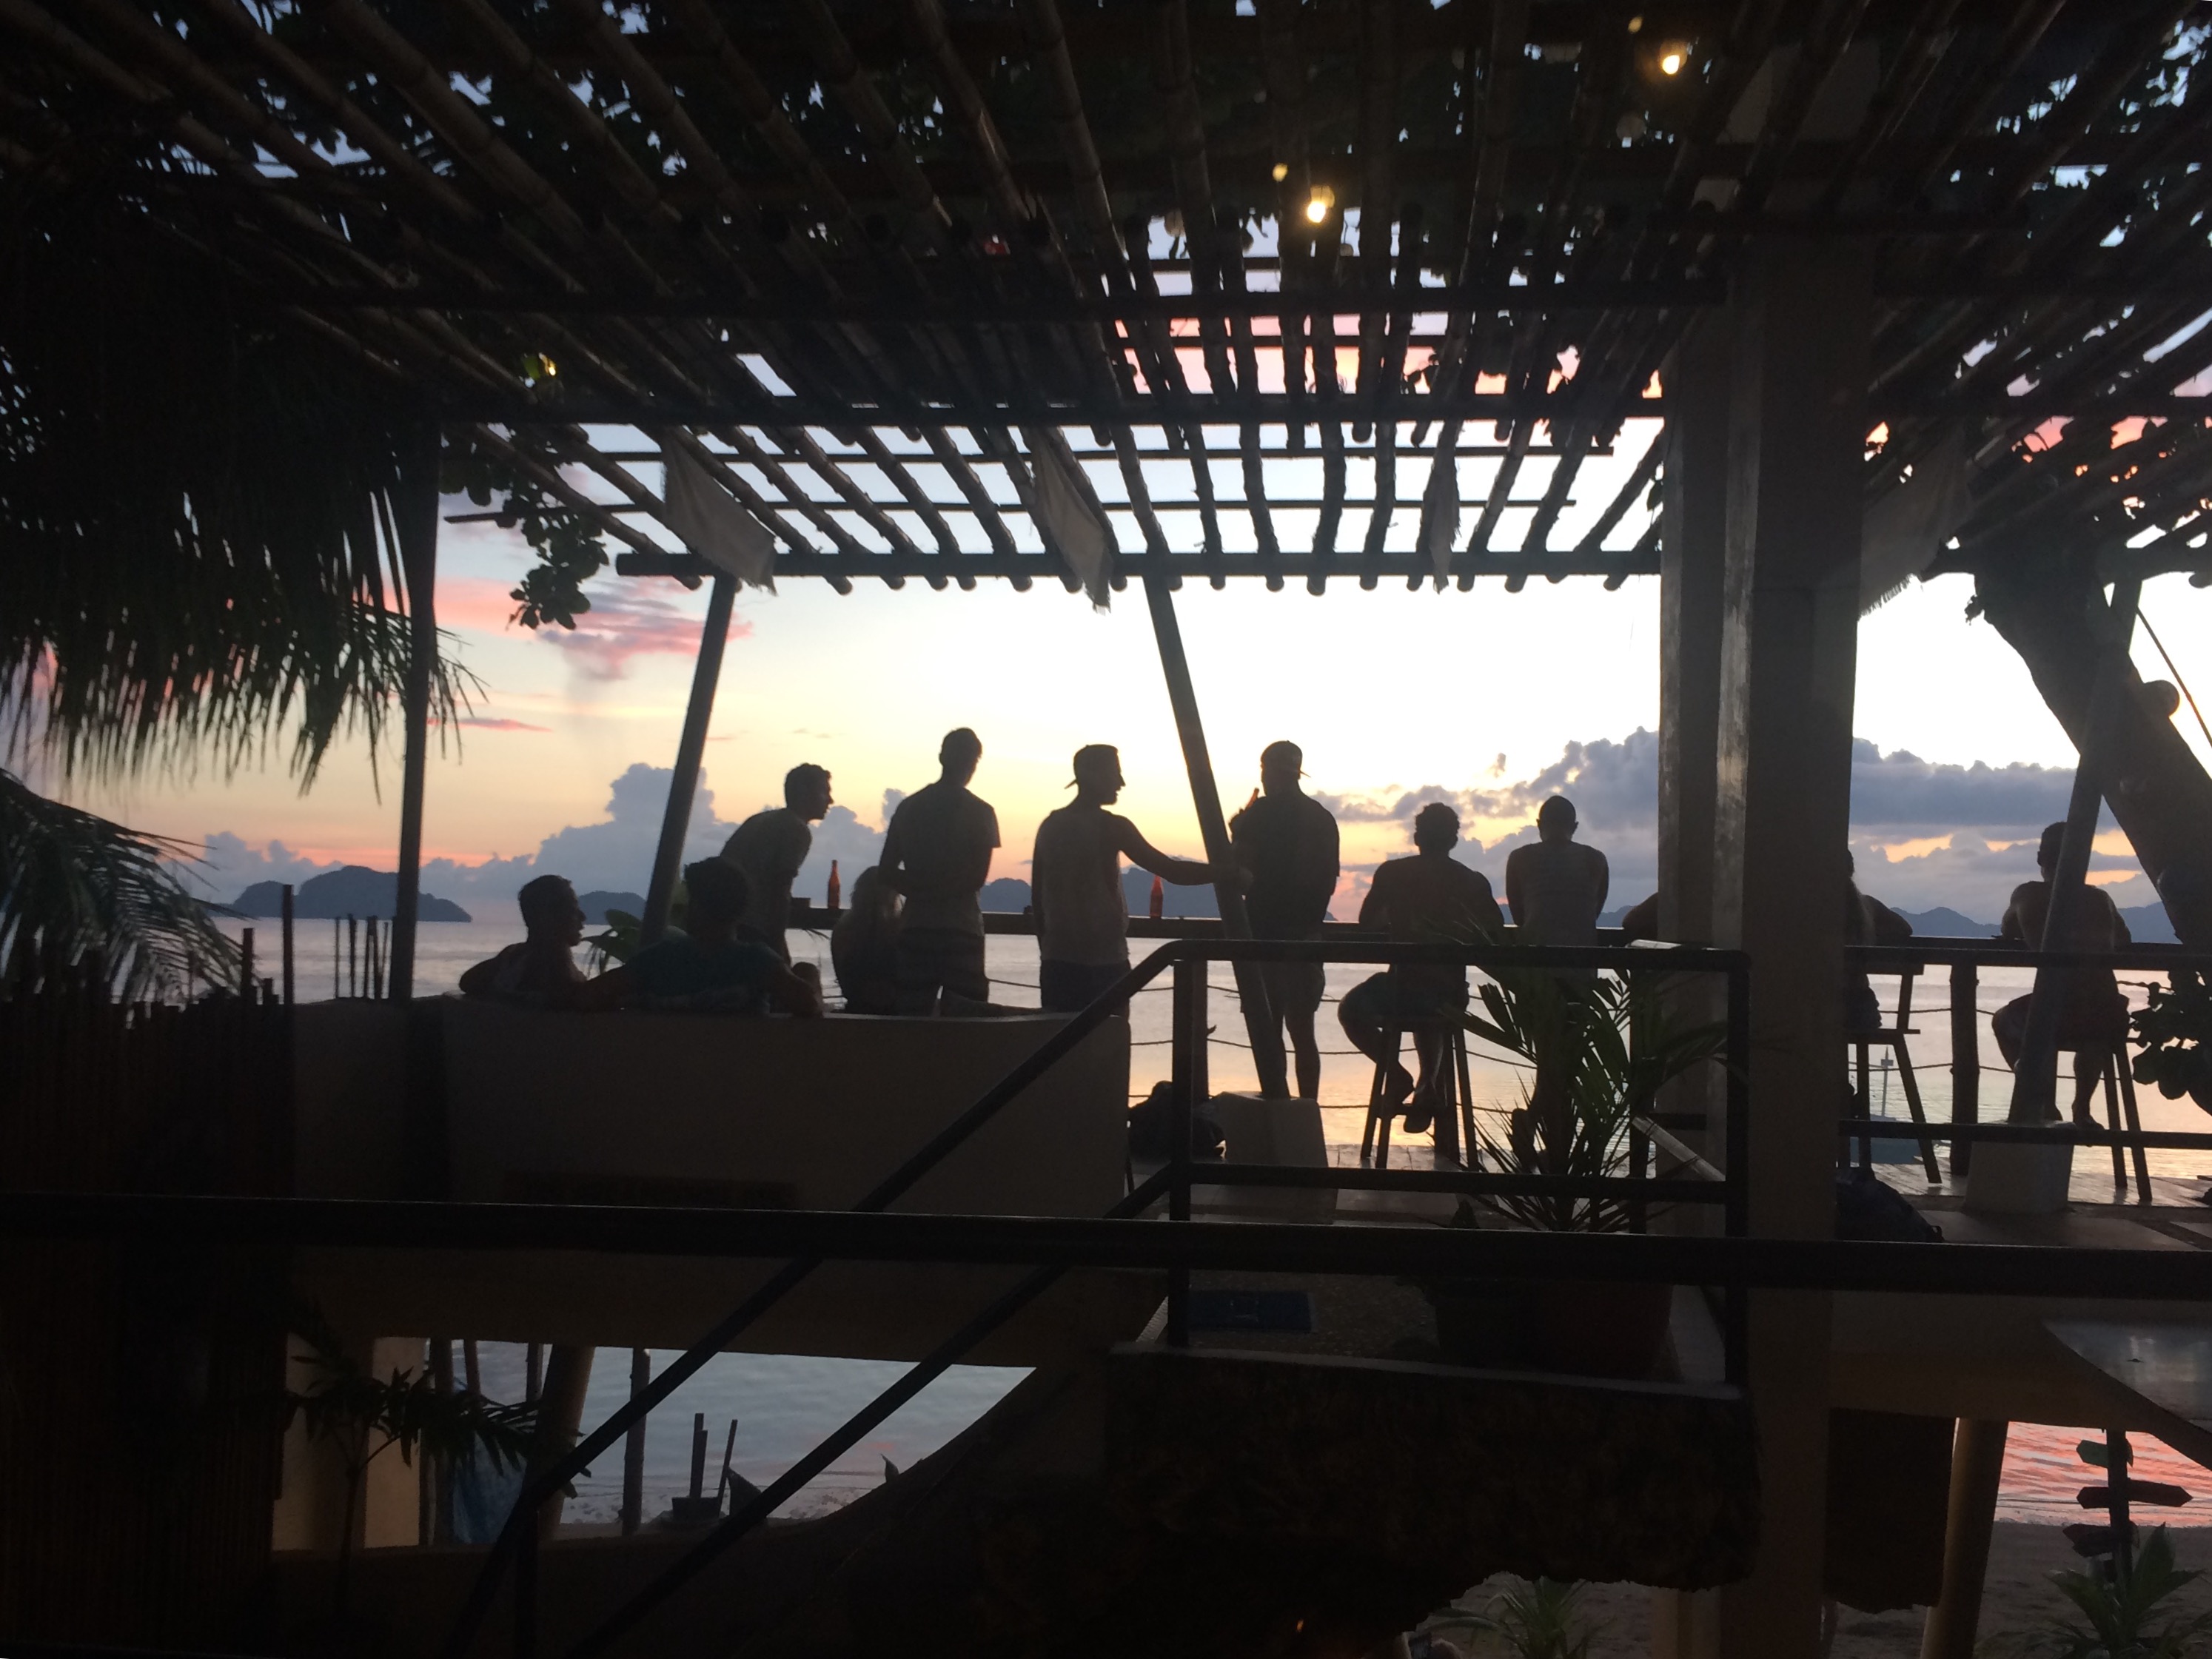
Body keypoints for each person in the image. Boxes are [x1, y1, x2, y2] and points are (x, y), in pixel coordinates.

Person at [1339, 803, 1504, 1133]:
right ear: (1453, 840)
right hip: (1449, 994)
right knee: (1433, 1008)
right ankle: (1427, 1083)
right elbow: (1495, 931)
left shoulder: (1393, 874)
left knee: (1350, 1010)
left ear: (1417, 837)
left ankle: (1397, 1074)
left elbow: (1368, 924)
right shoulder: (1471, 881)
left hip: (1400, 989)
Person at [1031, 744, 1213, 1013]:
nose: (1121, 783)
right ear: (1093, 775)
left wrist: (1047, 952)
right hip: (1104, 962)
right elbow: (1171, 871)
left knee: (1061, 1036)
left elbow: (1038, 899)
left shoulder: (1050, 825)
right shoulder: (1113, 827)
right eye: (1114, 773)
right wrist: (1225, 873)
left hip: (1057, 962)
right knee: (1110, 1036)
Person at [1992, 821, 2131, 1122]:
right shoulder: (2101, 898)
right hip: (2108, 1016)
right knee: (2094, 1035)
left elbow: (2008, 929)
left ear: (2041, 858)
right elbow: (2124, 939)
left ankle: (2040, 1098)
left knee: (2003, 1020)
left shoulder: (2028, 894)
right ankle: (2082, 1107)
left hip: (2053, 1015)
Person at [1230, 740, 1340, 1099]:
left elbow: (1237, 870)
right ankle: (1309, 1109)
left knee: (1268, 1028)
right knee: (1303, 1031)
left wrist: (1236, 830)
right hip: (1307, 935)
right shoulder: (1322, 817)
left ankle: (1278, 1106)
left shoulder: (1259, 815)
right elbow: (1328, 881)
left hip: (1264, 934)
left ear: (1267, 771)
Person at [590, 859, 821, 1014]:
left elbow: (589, 997)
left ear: (696, 907)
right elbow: (808, 1005)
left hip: (666, 1069)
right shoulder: (758, 962)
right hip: (742, 1070)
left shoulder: (657, 960)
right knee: (808, 971)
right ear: (741, 910)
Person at [879, 728, 999, 1013]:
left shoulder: (910, 808)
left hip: (916, 927)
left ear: (942, 757)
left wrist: (920, 891)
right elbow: (977, 878)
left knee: (911, 1014)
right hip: (963, 928)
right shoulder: (981, 811)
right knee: (968, 1018)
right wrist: (941, 891)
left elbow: (886, 871)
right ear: (974, 763)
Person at [721, 763, 833, 961]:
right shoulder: (796, 829)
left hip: (722, 922)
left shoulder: (760, 820)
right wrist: (778, 945)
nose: (830, 800)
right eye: (824, 792)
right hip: (750, 928)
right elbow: (780, 890)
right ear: (804, 793)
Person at [458, 874, 589, 1002]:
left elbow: (467, 982)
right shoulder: (555, 969)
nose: (583, 917)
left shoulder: (512, 958)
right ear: (547, 917)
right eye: (572, 909)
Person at [1504, 796, 1609, 948]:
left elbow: (1519, 918)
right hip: (1583, 956)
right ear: (1574, 827)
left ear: (1539, 825)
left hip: (1534, 956)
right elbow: (1593, 913)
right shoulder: (1596, 859)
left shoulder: (1519, 858)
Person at [1844, 851, 1914, 1032]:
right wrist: (1873, 939)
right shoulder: (1867, 905)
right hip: (1862, 1008)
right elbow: (1904, 929)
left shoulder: (1814, 910)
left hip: (1820, 1009)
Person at [831, 866, 902, 1016]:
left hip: (856, 1009)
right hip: (898, 1013)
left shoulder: (844, 930)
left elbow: (845, 984)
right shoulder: (899, 930)